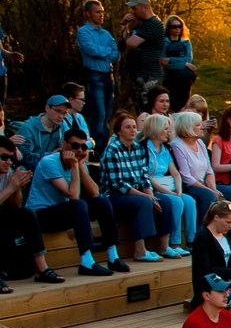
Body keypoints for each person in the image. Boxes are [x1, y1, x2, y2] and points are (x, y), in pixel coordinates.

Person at [25, 125, 129, 276]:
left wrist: (79, 165)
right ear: (64, 145)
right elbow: (72, 195)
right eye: (75, 145)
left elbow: (94, 193)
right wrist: (75, 166)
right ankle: (86, 262)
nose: (79, 150)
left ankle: (113, 256)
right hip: (40, 215)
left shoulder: (77, 161)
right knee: (78, 204)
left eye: (83, 146)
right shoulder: (49, 163)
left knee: (102, 202)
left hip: (63, 210)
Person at [97, 113, 170, 262]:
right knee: (144, 202)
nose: (132, 130)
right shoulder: (112, 150)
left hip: (136, 192)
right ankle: (140, 250)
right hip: (114, 195)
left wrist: (150, 193)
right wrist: (146, 197)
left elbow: (144, 176)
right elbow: (119, 184)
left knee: (165, 201)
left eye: (134, 127)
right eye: (127, 127)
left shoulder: (138, 148)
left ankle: (164, 247)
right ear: (118, 131)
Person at [0, 142, 63, 286]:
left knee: (26, 214)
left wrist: (16, 187)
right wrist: (11, 187)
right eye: (4, 157)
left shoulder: (7, 173)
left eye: (11, 158)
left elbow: (15, 206)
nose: (8, 162)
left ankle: (41, 268)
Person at [140, 113, 194, 257]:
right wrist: (171, 193)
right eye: (165, 129)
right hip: (152, 187)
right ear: (156, 130)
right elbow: (147, 177)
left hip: (169, 186)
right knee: (176, 202)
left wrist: (179, 189)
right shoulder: (143, 148)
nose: (169, 132)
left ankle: (191, 241)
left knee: (189, 201)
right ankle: (173, 244)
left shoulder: (165, 148)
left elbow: (175, 172)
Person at [170, 110, 231, 220]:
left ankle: (226, 227)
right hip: (189, 186)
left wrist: (213, 189)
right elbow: (185, 176)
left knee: (230, 192)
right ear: (188, 127)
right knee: (207, 196)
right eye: (198, 125)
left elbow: (209, 169)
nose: (202, 128)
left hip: (204, 183)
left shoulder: (199, 142)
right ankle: (201, 229)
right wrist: (209, 190)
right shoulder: (177, 145)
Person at [76, 0, 118, 145]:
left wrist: (103, 52)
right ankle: (97, 146)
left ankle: (104, 144)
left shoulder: (106, 34)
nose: (101, 15)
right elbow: (90, 49)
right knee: (98, 112)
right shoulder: (83, 32)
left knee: (107, 112)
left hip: (108, 75)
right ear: (88, 13)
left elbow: (115, 54)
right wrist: (106, 51)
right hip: (94, 75)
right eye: (97, 12)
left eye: (102, 12)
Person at [119, 0, 166, 112]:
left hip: (149, 76)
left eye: (135, 8)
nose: (133, 12)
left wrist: (126, 42)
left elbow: (130, 44)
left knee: (147, 110)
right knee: (139, 109)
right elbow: (127, 42)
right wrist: (123, 25)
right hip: (138, 74)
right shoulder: (141, 25)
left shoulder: (153, 24)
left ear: (145, 7)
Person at [11, 94, 69, 172]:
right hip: (30, 167)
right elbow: (26, 157)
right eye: (58, 111)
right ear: (47, 108)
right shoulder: (28, 128)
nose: (61, 116)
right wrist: (50, 155)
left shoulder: (61, 126)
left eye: (64, 113)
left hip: (51, 163)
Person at [160, 15, 196, 110]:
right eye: (174, 26)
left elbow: (188, 59)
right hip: (169, 79)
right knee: (170, 105)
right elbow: (163, 62)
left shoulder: (186, 43)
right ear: (169, 28)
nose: (177, 29)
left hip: (184, 79)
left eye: (179, 26)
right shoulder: (164, 43)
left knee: (184, 106)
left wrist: (171, 60)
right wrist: (184, 64)